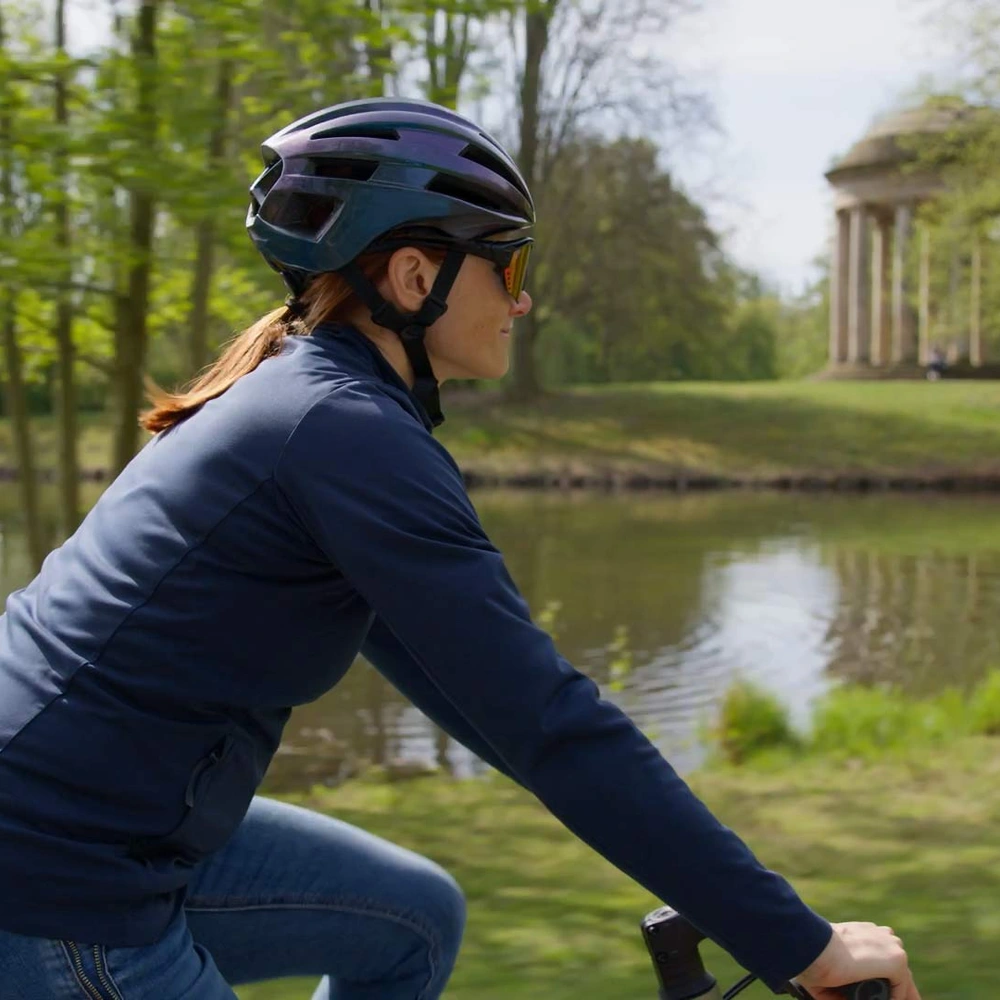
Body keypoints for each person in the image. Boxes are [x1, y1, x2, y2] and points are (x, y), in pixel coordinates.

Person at [0, 98, 920, 1000]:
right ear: (412, 279)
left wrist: (741, 911)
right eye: (509, 266)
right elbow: (551, 724)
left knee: (413, 918)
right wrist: (803, 944)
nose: (524, 299)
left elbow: (499, 713)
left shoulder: (313, 403)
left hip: (108, 827)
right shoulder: (339, 428)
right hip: (63, 876)